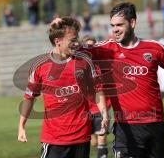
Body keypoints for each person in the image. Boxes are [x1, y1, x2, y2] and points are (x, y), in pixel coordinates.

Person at [52, 2, 164, 158]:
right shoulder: (105, 48)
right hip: (125, 127)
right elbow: (72, 49)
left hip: (155, 125)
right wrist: (60, 32)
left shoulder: (155, 48)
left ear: (133, 22)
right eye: (112, 25)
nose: (115, 29)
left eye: (119, 25)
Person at [17, 17, 109, 158]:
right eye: (72, 40)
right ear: (57, 41)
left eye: (77, 38)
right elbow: (29, 98)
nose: (77, 43)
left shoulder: (84, 60)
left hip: (82, 137)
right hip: (54, 140)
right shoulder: (40, 66)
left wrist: (104, 114)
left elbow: (98, 89)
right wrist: (21, 126)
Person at [81, 35, 110, 158]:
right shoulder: (79, 66)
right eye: (88, 46)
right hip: (85, 109)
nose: (90, 49)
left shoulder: (101, 65)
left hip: (100, 107)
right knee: (93, 142)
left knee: (102, 138)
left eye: (92, 46)